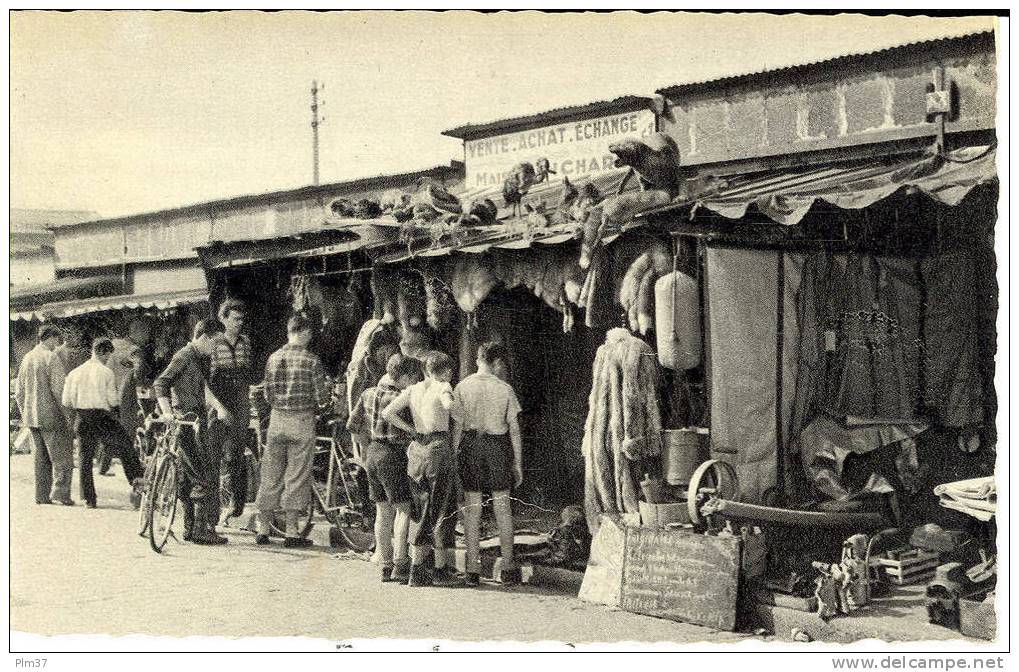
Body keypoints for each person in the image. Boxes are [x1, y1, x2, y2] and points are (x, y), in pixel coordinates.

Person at [381, 351, 462, 587]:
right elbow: (450, 407)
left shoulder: (413, 390)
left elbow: (387, 413)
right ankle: (437, 569)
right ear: (446, 371)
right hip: (438, 448)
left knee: (418, 508)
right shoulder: (444, 385)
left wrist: (410, 429)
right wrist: (462, 418)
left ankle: (417, 568)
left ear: (426, 370)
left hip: (417, 450)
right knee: (440, 509)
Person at [153, 318, 233, 545]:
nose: (216, 348)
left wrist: (218, 407)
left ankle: (190, 528)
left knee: (189, 477)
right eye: (214, 342)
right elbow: (161, 383)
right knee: (202, 475)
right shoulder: (184, 356)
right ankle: (199, 530)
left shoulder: (201, 358)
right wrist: (167, 411)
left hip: (197, 420)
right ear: (204, 337)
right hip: (185, 422)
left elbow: (203, 387)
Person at [452, 342, 525, 587]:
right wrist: (518, 463)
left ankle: (472, 569)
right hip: (497, 448)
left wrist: (455, 456)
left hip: (471, 447)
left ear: (478, 360)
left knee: (472, 510)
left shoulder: (462, 387)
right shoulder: (505, 389)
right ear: (497, 363)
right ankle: (508, 567)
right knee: (502, 508)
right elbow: (514, 430)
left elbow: (458, 429)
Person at [255, 313, 330, 548]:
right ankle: (291, 532)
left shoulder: (274, 358)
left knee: (270, 475)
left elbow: (266, 394)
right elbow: (322, 399)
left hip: (277, 420)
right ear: (306, 333)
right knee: (296, 477)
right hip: (302, 420)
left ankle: (263, 529)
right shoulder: (312, 361)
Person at [348, 353, 420, 583]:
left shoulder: (368, 394)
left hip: (373, 452)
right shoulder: (404, 398)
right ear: (405, 376)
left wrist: (364, 447)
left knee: (382, 511)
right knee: (404, 509)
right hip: (395, 455)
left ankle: (385, 564)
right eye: (413, 376)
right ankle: (400, 562)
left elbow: (352, 425)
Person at [62, 338, 146, 509]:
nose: (108, 359)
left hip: (82, 417)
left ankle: (89, 499)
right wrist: (116, 416)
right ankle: (137, 487)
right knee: (126, 448)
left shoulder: (74, 373)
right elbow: (113, 400)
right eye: (107, 355)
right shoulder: (105, 372)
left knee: (85, 458)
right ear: (102, 352)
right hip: (101, 416)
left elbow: (67, 400)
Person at [15, 324, 75, 506]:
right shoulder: (51, 358)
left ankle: (41, 495)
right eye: (57, 339)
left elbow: (18, 392)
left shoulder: (27, 358)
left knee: (40, 458)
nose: (58, 344)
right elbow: (59, 390)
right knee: (62, 456)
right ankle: (61, 493)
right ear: (50, 338)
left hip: (32, 418)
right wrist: (67, 414)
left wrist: (25, 412)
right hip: (52, 415)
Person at [209, 300, 254, 520]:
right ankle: (213, 507)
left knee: (237, 452)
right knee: (215, 452)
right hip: (220, 398)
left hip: (240, 399)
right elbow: (208, 378)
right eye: (235, 319)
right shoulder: (215, 343)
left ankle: (237, 502)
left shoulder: (246, 342)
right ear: (223, 319)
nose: (239, 323)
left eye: (241, 319)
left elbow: (247, 371)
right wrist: (216, 405)